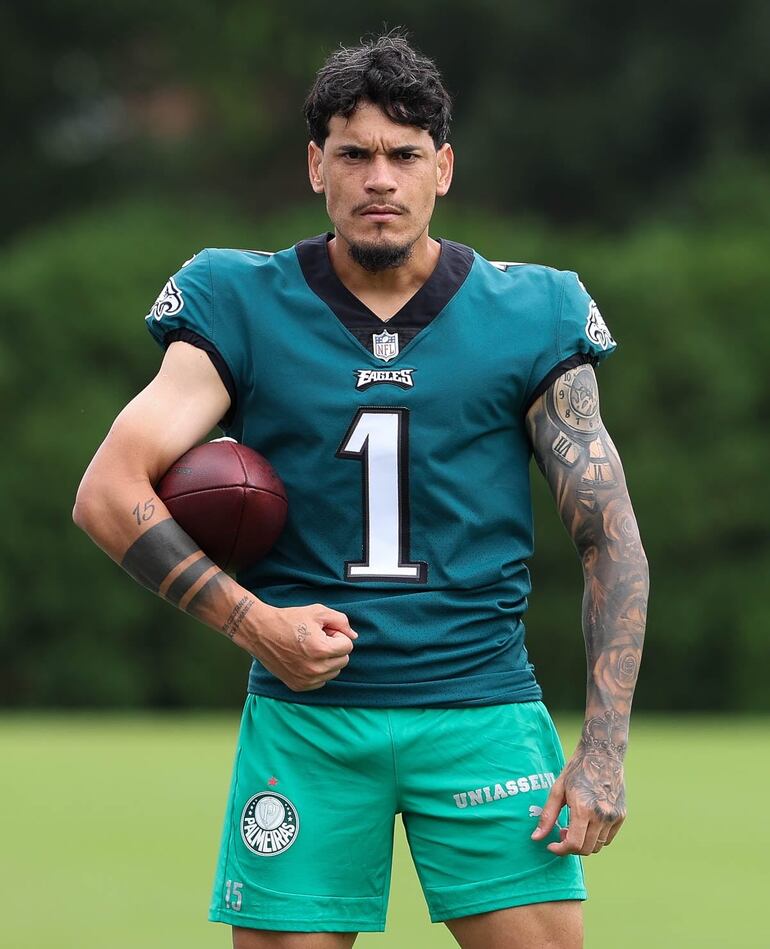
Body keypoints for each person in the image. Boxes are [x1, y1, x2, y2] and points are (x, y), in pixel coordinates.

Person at [73, 33, 648, 949]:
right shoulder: (240, 299)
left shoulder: (531, 311)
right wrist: (256, 624)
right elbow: (107, 490)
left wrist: (605, 751)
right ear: (316, 166)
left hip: (480, 711)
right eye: (354, 154)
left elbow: (610, 537)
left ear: (443, 168)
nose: (380, 178)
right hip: (307, 722)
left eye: (404, 155)